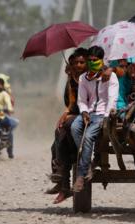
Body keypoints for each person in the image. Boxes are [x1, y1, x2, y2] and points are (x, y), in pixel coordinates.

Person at [71, 46, 119, 192]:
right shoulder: (83, 78)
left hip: (103, 114)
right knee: (74, 128)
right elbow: (81, 100)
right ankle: (90, 159)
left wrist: (106, 118)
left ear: (101, 60)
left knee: (88, 137)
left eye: (95, 60)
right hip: (89, 113)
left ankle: (82, 173)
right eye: (90, 60)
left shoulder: (110, 76)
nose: (92, 63)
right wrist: (84, 112)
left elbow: (112, 99)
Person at [46, 48, 89, 202]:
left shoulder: (91, 78)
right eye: (76, 62)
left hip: (88, 115)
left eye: (82, 62)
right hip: (75, 113)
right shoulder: (71, 80)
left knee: (63, 131)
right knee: (57, 138)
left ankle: (63, 184)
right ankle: (60, 181)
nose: (79, 65)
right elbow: (69, 104)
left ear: (87, 63)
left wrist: (71, 114)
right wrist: (66, 113)